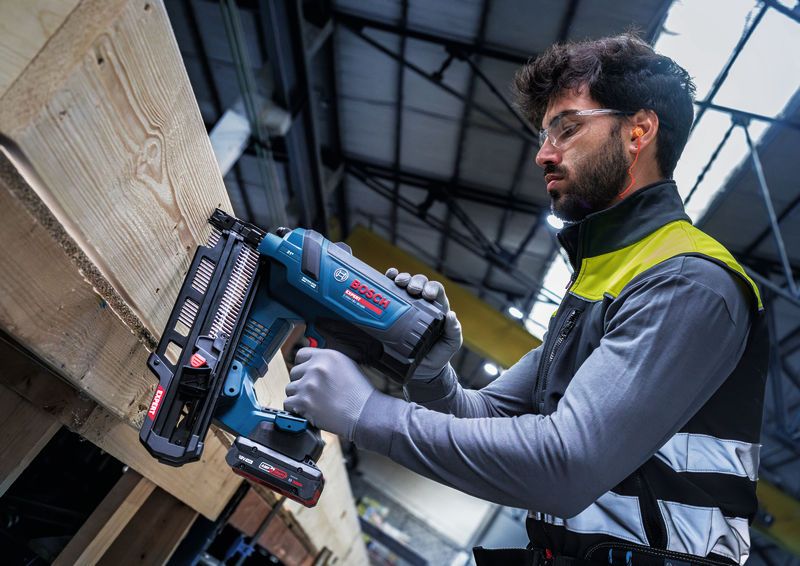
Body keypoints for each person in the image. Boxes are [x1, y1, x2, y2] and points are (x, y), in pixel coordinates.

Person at [284, 33, 768, 566]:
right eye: (545, 134)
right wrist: (428, 371)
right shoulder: (602, 281)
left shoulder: (687, 281)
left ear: (639, 131)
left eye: (567, 128)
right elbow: (485, 415)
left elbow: (564, 466)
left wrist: (367, 413)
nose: (544, 154)